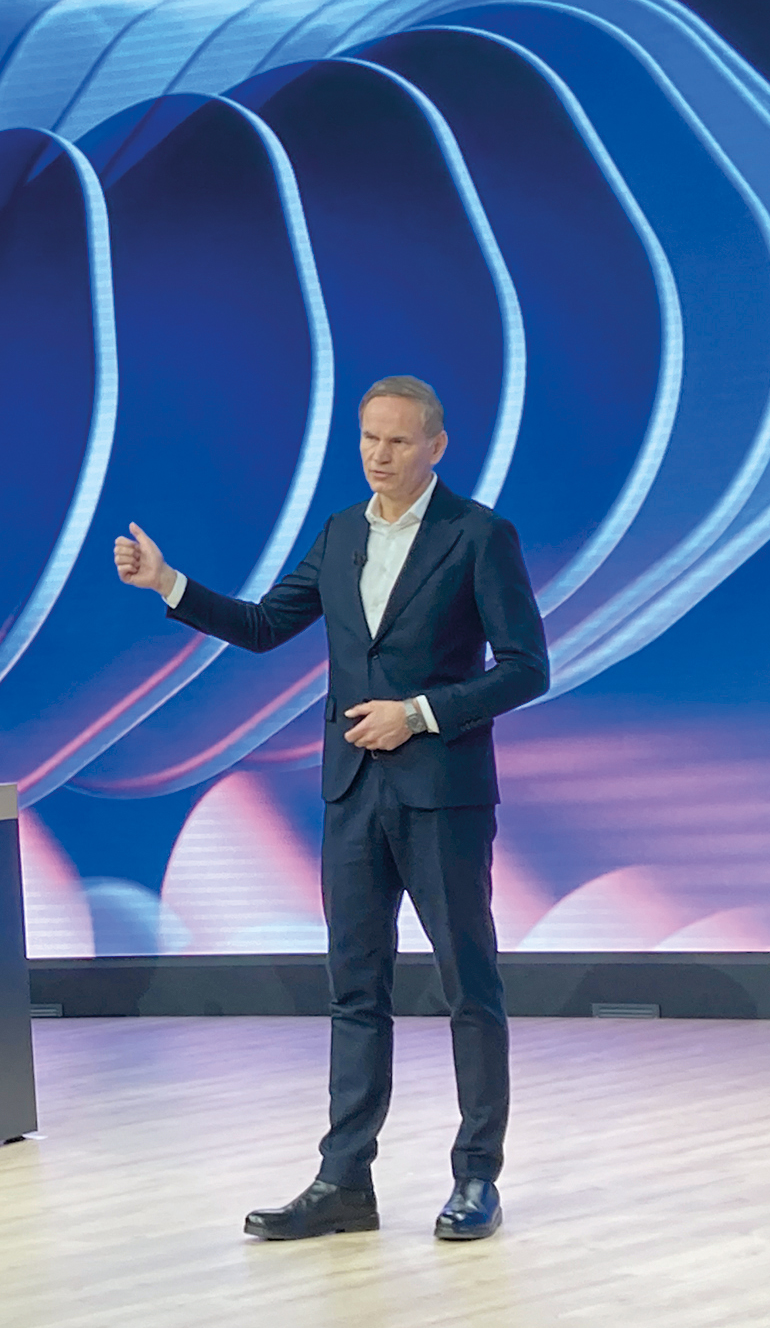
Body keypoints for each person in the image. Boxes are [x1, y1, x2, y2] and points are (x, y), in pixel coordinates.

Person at [113, 376, 548, 1241]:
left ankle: (475, 1176)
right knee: (354, 989)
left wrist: (418, 713)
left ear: (436, 447)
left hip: (443, 793)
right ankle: (344, 1180)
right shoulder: (342, 531)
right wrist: (170, 584)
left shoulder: (477, 534)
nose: (378, 455)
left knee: (469, 985)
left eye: (397, 441)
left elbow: (526, 667)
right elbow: (265, 625)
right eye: (368, 439)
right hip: (352, 792)